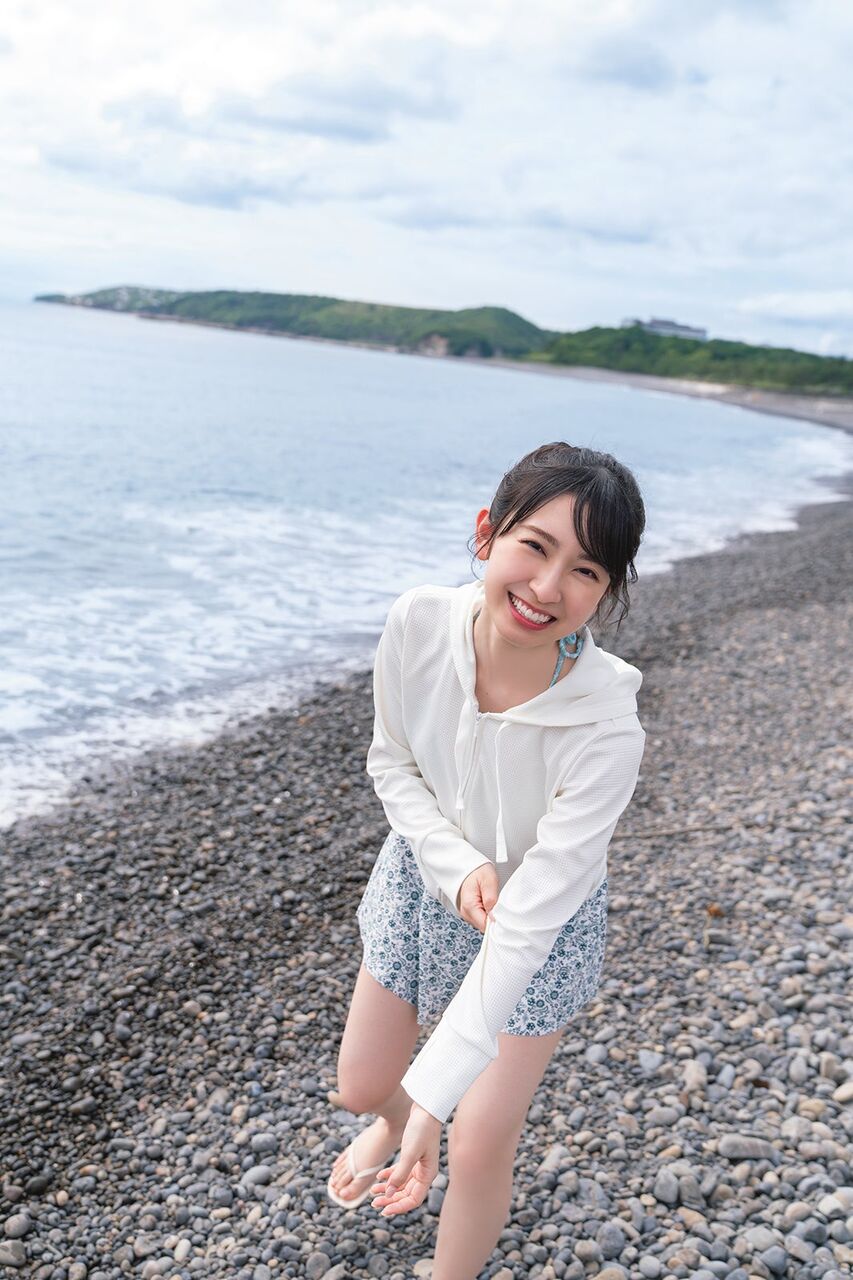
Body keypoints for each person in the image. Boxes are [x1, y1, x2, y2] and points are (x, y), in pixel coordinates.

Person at [327, 441, 647, 1279]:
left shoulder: (606, 730)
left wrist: (438, 1105)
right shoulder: (417, 622)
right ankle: (395, 1121)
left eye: (584, 571)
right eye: (533, 547)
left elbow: (528, 922)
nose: (546, 587)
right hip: (421, 877)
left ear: (606, 591)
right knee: (361, 1085)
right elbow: (391, 762)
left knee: (474, 1144)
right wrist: (453, 862)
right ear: (486, 534)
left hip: (537, 925)